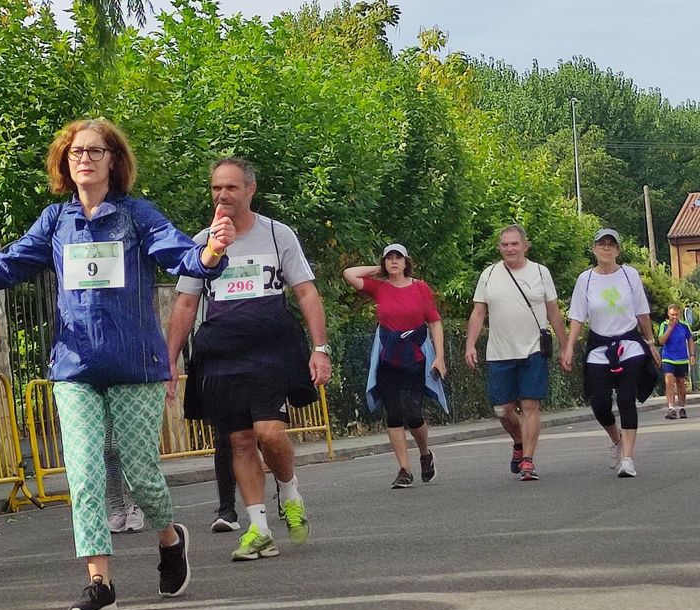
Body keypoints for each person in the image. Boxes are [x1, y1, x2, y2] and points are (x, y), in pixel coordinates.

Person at [0, 118, 233, 610]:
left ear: (113, 161)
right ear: (65, 163)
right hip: (74, 368)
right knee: (84, 475)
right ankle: (99, 582)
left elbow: (184, 257)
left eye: (96, 151)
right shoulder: (55, 221)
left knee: (142, 474)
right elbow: (6, 265)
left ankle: (170, 539)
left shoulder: (136, 217)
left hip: (135, 364)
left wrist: (213, 248)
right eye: (76, 152)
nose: (85, 158)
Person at [168, 156, 328, 563]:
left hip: (269, 348)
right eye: (216, 188)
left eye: (231, 188)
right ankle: (258, 529)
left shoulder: (278, 235)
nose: (222, 195)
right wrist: (168, 360)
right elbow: (186, 303)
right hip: (221, 352)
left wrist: (320, 347)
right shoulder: (202, 242)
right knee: (238, 440)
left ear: (250, 190)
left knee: (270, 433)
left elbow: (306, 292)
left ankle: (289, 491)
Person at [464, 225, 567, 481]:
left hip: (533, 350)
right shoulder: (488, 275)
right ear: (499, 247)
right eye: (505, 244)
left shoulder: (541, 273)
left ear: (525, 245)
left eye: (514, 244)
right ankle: (518, 441)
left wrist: (566, 345)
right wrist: (470, 344)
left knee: (530, 404)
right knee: (502, 409)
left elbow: (553, 312)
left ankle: (528, 461)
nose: (509, 248)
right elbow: (479, 312)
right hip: (499, 352)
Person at [561, 229, 660, 479]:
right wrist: (570, 346)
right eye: (601, 244)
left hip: (629, 344)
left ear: (618, 250)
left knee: (627, 398)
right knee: (600, 403)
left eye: (611, 244)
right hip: (599, 347)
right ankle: (616, 439)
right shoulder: (585, 279)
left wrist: (650, 343)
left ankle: (628, 458)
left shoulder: (629, 275)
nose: (606, 248)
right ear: (594, 249)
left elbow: (642, 313)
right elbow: (577, 316)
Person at [345, 244, 446, 488]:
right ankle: (404, 469)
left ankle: (424, 454)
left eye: (397, 258)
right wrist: (378, 269)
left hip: (415, 355)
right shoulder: (379, 288)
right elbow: (350, 274)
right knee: (393, 413)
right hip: (388, 356)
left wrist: (440, 357)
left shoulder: (420, 287)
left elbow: (434, 322)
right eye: (389, 258)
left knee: (413, 414)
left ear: (405, 262)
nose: (393, 262)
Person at [658, 304, 696, 419]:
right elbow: (661, 341)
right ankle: (671, 408)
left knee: (680, 383)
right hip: (668, 358)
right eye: (672, 315)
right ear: (668, 315)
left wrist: (692, 354)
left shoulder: (684, 326)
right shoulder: (664, 325)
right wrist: (670, 328)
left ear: (679, 314)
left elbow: (690, 339)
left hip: (682, 358)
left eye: (676, 315)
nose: (674, 317)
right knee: (669, 383)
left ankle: (682, 407)